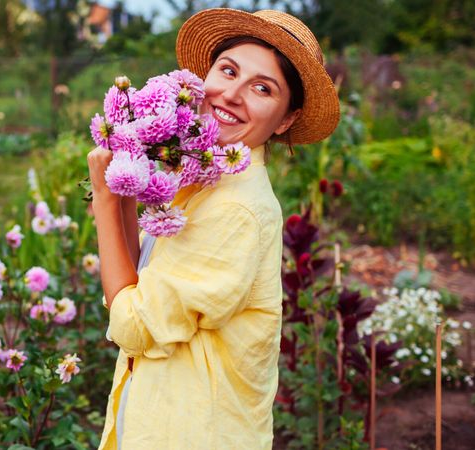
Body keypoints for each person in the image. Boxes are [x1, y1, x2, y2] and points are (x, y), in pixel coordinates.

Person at [86, 8, 340, 450]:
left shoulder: (236, 210)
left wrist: (106, 200)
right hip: (157, 419)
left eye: (263, 88)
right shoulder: (201, 179)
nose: (232, 94)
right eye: (228, 71)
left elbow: (133, 324)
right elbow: (138, 279)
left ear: (284, 120)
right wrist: (128, 183)